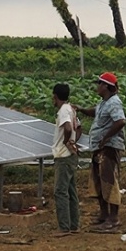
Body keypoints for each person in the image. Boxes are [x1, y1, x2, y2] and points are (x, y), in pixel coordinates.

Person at [76, 72, 126, 232]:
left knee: (108, 181)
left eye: (99, 83)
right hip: (100, 148)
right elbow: (95, 112)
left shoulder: (114, 103)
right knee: (99, 181)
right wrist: (81, 109)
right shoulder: (104, 103)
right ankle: (104, 215)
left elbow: (121, 121)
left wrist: (106, 137)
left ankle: (113, 219)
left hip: (109, 148)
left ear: (106, 86)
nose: (97, 86)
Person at [51, 83, 81, 233]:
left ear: (55, 96)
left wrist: (65, 141)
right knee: (71, 191)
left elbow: (68, 127)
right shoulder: (71, 109)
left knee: (60, 191)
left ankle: (64, 227)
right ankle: (74, 225)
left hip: (63, 156)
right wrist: (73, 142)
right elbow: (79, 127)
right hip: (71, 155)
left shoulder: (63, 110)